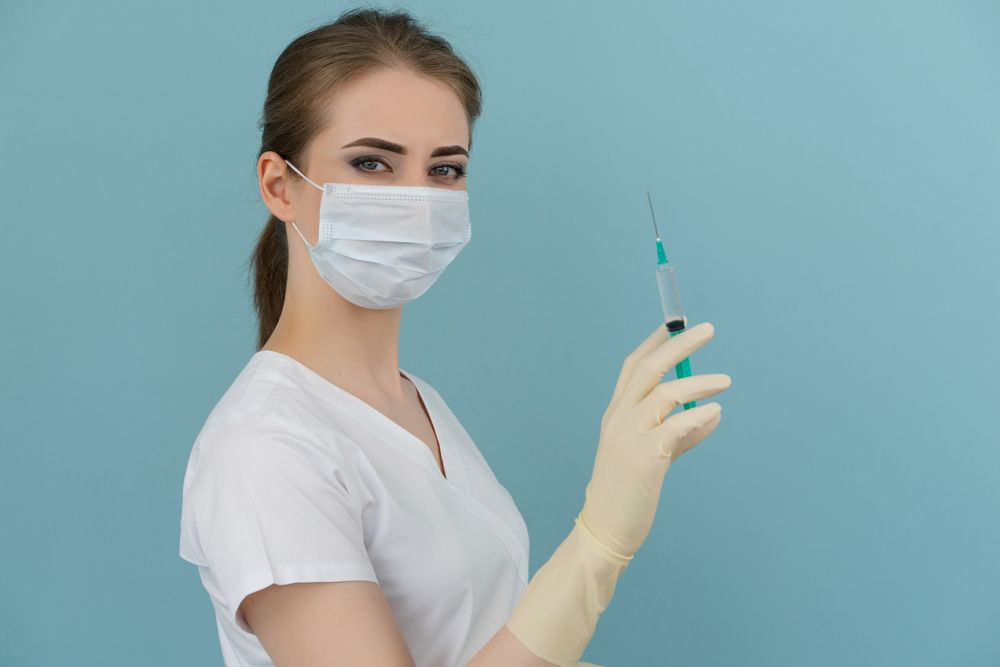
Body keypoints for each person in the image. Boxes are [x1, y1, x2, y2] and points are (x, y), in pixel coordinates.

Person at [177, 7, 732, 667]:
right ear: (279, 186)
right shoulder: (264, 449)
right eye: (372, 163)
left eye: (444, 170)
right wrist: (598, 544)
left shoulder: (416, 403)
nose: (417, 201)